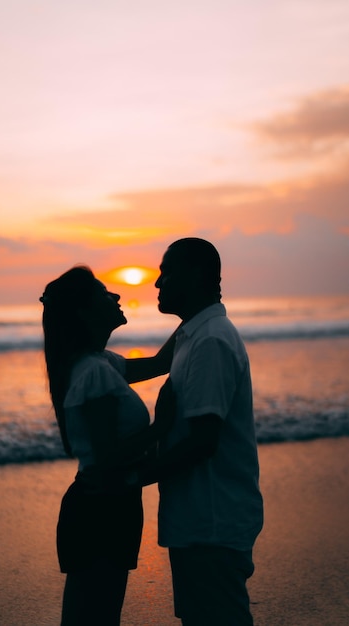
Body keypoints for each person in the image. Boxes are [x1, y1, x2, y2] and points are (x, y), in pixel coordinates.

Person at [40, 265, 175, 626]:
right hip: (100, 507)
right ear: (85, 312)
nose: (115, 296)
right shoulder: (94, 372)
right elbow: (106, 458)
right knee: (94, 617)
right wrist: (163, 426)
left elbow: (163, 363)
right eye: (103, 293)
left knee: (94, 615)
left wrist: (198, 313)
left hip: (106, 503)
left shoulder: (101, 363)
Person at [143, 238, 264, 626]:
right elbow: (147, 367)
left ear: (194, 275)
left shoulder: (210, 341)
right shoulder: (192, 332)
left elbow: (202, 442)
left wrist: (131, 478)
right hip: (201, 518)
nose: (157, 283)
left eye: (167, 272)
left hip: (212, 519)